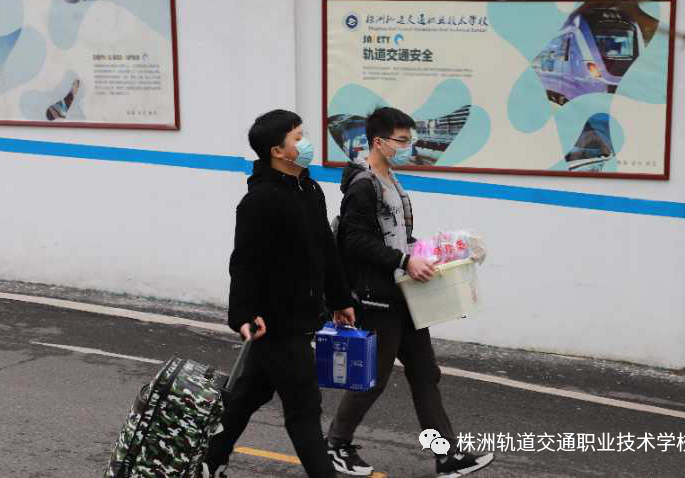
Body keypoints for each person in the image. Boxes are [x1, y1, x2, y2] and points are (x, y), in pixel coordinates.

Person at [327, 107, 495, 477]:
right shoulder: (364, 185)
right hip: (378, 296)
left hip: (404, 294)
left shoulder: (391, 180)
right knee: (373, 378)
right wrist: (405, 260)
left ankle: (447, 456)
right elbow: (355, 241)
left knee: (424, 373)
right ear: (379, 141)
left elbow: (396, 237)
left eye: (409, 139)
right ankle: (335, 445)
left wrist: (436, 250)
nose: (407, 147)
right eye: (401, 140)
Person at [203, 109, 356, 478]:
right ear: (278, 151)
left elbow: (326, 250)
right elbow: (244, 263)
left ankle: (207, 462)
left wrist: (340, 300)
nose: (307, 143)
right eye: (298, 138)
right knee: (304, 410)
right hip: (276, 322)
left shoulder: (309, 190)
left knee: (248, 395)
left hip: (304, 315)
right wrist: (242, 315)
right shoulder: (260, 200)